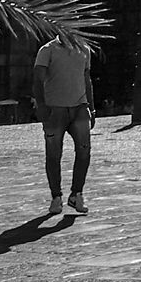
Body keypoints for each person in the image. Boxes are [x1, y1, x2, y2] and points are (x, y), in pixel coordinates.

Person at [32, 32, 94, 218]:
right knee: (53, 154)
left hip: (79, 107)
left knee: (84, 151)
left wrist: (92, 107)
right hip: (55, 109)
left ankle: (77, 193)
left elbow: (86, 78)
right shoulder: (47, 50)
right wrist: (41, 105)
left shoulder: (84, 49)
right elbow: (38, 79)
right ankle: (56, 196)